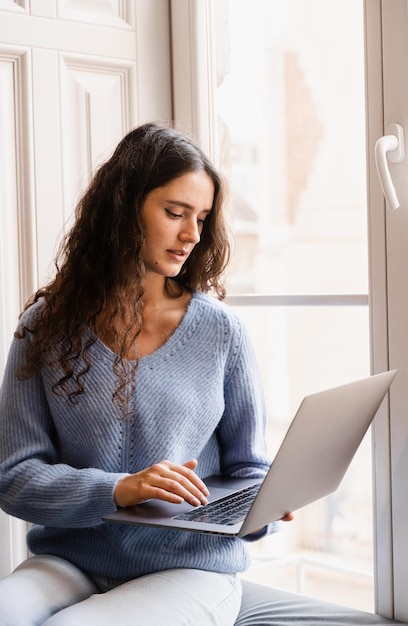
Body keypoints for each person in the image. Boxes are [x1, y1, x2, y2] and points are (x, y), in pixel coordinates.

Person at [0, 122, 291, 626]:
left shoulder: (221, 332)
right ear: (122, 209)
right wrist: (119, 489)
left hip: (190, 568)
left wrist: (266, 508)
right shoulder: (44, 328)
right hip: (71, 561)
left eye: (201, 218)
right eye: (175, 213)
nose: (191, 235)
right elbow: (13, 476)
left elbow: (251, 471)